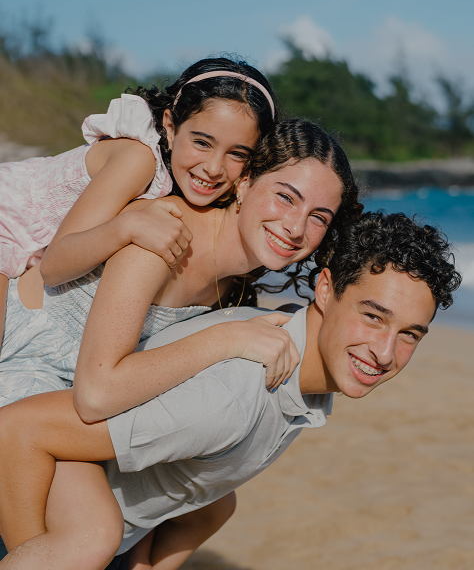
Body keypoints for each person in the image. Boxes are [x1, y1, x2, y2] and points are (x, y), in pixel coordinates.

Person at [0, 212, 461, 570]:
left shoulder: (290, 358)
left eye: (409, 334)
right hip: (41, 520)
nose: (384, 352)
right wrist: (46, 554)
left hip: (113, 527)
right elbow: (18, 428)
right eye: (373, 316)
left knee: (219, 502)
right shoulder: (232, 396)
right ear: (325, 289)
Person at [0, 57, 278, 342]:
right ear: (170, 127)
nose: (214, 168)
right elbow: (54, 267)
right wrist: (127, 226)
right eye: (202, 143)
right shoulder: (139, 159)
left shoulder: (195, 181)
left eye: (238, 154)